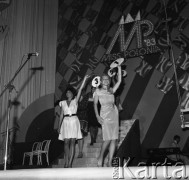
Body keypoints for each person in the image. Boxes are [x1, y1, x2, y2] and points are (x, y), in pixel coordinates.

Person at [58, 75, 90, 168]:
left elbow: (80, 89)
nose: (68, 93)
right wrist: (59, 127)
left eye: (69, 92)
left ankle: (70, 163)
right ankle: (66, 161)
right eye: (67, 92)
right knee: (66, 142)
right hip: (65, 122)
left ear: (72, 94)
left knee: (72, 142)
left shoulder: (75, 101)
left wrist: (84, 80)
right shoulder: (62, 103)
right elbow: (61, 116)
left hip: (74, 121)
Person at [94, 65, 122, 167]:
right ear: (101, 81)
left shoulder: (111, 90)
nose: (106, 80)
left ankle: (109, 162)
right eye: (104, 79)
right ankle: (101, 157)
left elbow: (119, 81)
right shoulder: (97, 91)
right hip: (104, 115)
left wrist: (119, 67)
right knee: (107, 139)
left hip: (114, 114)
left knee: (114, 139)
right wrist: (97, 116)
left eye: (107, 79)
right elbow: (95, 104)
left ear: (109, 81)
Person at [77, 90, 90, 158]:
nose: (81, 92)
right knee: (79, 136)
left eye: (82, 91)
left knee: (81, 134)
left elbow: (93, 100)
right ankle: (80, 151)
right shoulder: (76, 98)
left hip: (84, 118)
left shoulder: (86, 97)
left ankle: (80, 152)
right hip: (76, 119)